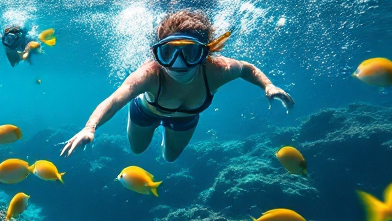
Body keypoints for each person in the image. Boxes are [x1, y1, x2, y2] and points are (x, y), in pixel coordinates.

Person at [60, 10, 294, 162]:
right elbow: (115, 99)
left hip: (185, 118)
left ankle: (166, 134)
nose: (178, 63)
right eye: (169, 53)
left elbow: (246, 68)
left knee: (170, 157)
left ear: (205, 54)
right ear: (158, 54)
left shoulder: (217, 69)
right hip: (145, 112)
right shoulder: (149, 75)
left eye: (190, 53)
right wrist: (90, 128)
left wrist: (268, 86)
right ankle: (158, 126)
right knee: (137, 150)